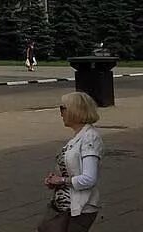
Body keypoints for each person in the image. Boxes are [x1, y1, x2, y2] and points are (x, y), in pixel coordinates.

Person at [38, 91, 103, 231]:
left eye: (63, 108)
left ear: (75, 110)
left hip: (79, 208)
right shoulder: (79, 137)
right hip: (64, 206)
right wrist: (55, 181)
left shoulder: (89, 138)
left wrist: (61, 181)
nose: (61, 113)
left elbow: (89, 179)